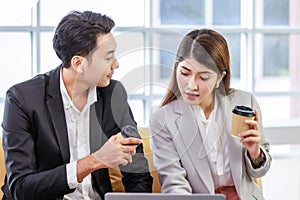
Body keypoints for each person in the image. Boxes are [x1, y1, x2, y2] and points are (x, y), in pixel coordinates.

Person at [1, 10, 152, 200]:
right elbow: (21, 188)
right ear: (78, 63)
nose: (116, 64)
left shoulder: (113, 93)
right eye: (108, 58)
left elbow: (137, 174)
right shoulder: (22, 99)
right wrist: (94, 161)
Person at [149, 29, 271, 200]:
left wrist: (255, 154)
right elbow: (174, 184)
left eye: (203, 77)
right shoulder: (163, 119)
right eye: (184, 73)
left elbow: (260, 170)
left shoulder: (244, 102)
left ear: (220, 78)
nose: (191, 85)